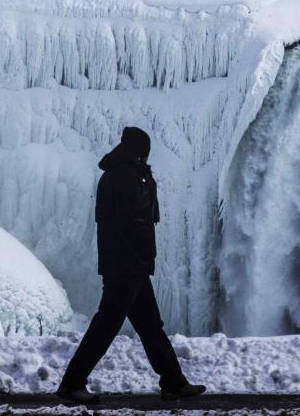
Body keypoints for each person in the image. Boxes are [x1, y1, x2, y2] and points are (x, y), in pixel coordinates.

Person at [56, 126, 206, 404]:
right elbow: (125, 224)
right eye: (144, 153)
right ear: (136, 151)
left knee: (150, 326)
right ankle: (72, 383)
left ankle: (173, 382)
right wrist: (135, 258)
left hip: (131, 265)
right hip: (125, 266)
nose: (145, 158)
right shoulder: (122, 177)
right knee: (107, 325)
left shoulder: (127, 175)